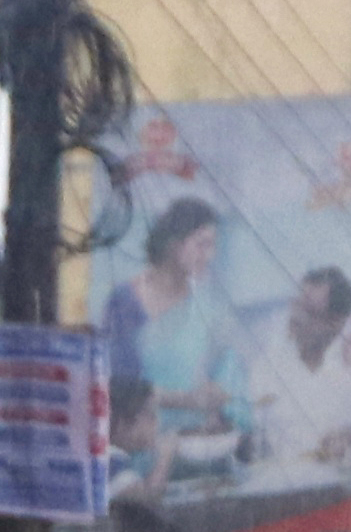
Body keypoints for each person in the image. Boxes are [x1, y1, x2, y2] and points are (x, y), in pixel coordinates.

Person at [103, 199, 249, 489]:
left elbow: (227, 374)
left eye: (213, 246)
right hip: (138, 464)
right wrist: (186, 400)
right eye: (201, 244)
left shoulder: (209, 307)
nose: (209, 255)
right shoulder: (126, 303)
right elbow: (118, 388)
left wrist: (219, 402)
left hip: (198, 459)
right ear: (173, 244)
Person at [247, 267, 351, 478]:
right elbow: (248, 448)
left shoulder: (350, 379)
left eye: (309, 311)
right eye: (296, 305)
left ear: (336, 323)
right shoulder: (265, 369)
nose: (296, 317)